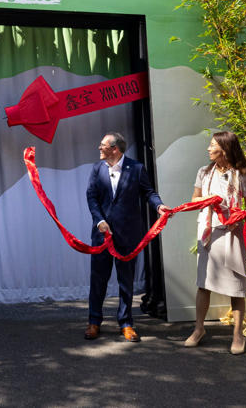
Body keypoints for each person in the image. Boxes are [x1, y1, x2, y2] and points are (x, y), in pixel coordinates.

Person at [84, 132, 169, 343]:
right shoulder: (97, 169)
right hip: (102, 235)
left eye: (103, 145)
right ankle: (94, 321)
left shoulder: (137, 168)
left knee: (126, 281)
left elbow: (149, 192)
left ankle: (126, 323)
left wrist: (159, 206)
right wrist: (99, 220)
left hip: (128, 235)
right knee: (98, 280)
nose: (99, 148)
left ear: (115, 149)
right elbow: (91, 197)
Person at [184, 132, 246, 354]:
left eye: (212, 145)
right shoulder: (204, 172)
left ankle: (237, 335)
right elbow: (194, 199)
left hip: (232, 232)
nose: (208, 149)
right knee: (203, 283)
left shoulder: (244, 175)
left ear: (225, 148)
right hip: (208, 231)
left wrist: (234, 213)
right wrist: (208, 200)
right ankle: (199, 329)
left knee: (236, 285)